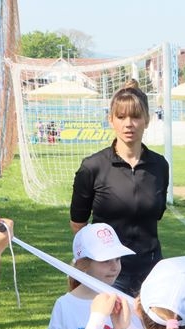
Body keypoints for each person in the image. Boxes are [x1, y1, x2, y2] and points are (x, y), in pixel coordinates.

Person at [70, 80, 169, 297]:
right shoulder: (92, 167)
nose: (129, 124)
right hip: (108, 274)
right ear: (111, 120)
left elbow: (157, 214)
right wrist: (97, 263)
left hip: (151, 269)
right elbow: (78, 224)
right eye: (121, 117)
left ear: (147, 120)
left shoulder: (160, 166)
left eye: (135, 116)